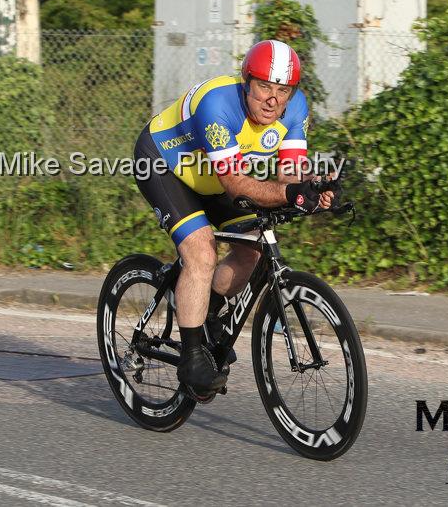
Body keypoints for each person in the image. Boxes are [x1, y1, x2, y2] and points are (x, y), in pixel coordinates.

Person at [133, 39, 336, 398]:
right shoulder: (218, 104)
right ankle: (191, 356)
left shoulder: (295, 108)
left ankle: (205, 308)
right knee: (201, 252)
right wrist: (289, 194)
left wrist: (309, 193)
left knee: (252, 250)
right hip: (164, 166)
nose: (273, 99)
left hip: (214, 178)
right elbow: (236, 184)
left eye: (283, 90)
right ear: (246, 83)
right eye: (264, 87)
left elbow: (290, 175)